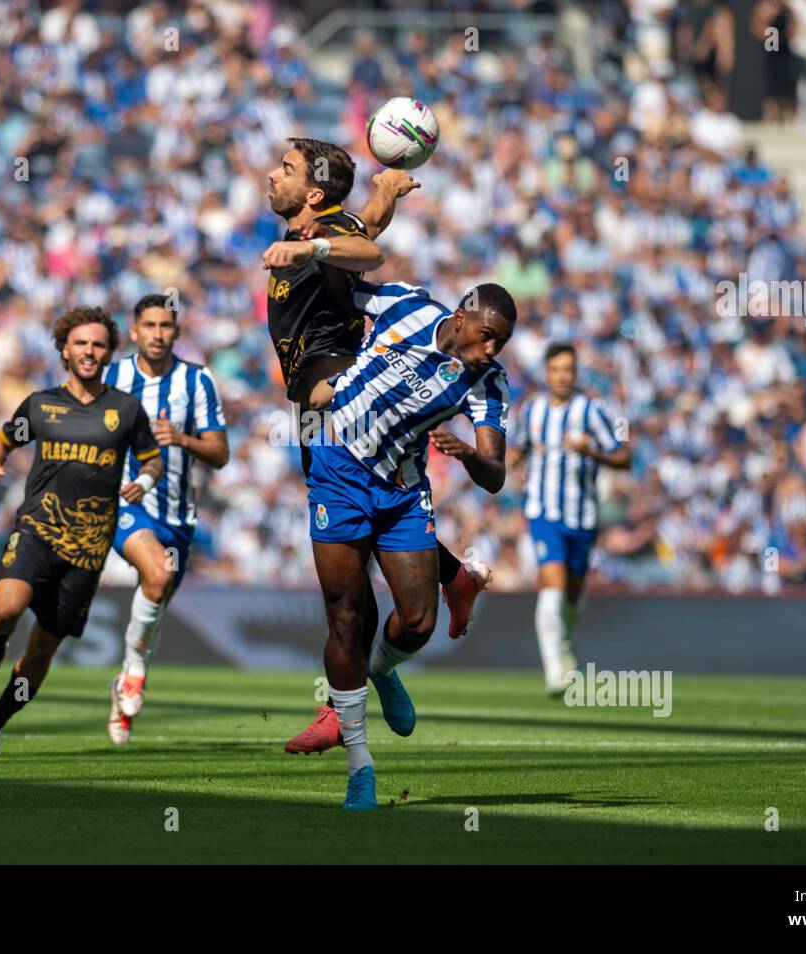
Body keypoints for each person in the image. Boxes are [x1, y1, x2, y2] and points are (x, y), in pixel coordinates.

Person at [261, 138, 492, 754]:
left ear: (312, 191)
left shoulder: (322, 234)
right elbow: (364, 228)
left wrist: (319, 237)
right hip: (317, 404)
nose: (270, 176)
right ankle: (451, 580)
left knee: (356, 570)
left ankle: (347, 704)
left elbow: (368, 248)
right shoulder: (327, 227)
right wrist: (385, 193)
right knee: (350, 572)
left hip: (341, 395)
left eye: (283, 169)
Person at [303, 279, 514, 809]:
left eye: (501, 344)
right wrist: (312, 249)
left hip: (400, 490)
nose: (491, 350)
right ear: (462, 317)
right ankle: (360, 768)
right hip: (337, 471)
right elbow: (334, 292)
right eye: (487, 336)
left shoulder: (487, 382)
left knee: (419, 621)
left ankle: (381, 669)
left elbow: (495, 476)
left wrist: (467, 453)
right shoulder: (406, 305)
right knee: (346, 616)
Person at [0, 307, 163, 756]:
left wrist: (145, 480)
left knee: (40, 653)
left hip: (89, 549)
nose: (89, 351)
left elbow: (153, 458)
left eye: (97, 344)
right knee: (4, 610)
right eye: (81, 343)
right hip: (37, 529)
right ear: (64, 349)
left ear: (109, 352)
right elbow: (2, 438)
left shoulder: (126, 410)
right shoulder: (40, 404)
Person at [102, 294, 229, 743]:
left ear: (176, 332)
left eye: (166, 326)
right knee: (155, 575)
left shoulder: (197, 382)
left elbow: (220, 454)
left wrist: (181, 439)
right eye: (149, 326)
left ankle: (127, 680)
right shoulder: (111, 377)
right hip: (127, 504)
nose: (157, 334)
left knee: (155, 598)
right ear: (134, 331)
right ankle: (134, 670)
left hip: (178, 515)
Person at [511, 343, 631, 695]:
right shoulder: (531, 411)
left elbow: (623, 456)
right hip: (543, 513)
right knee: (553, 588)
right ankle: (554, 673)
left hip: (582, 517)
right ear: (546, 373)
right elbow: (518, 449)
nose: (562, 376)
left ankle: (563, 648)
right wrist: (503, 468)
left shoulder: (592, 411)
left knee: (573, 599)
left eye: (568, 370)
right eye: (556, 369)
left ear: (575, 373)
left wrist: (590, 451)